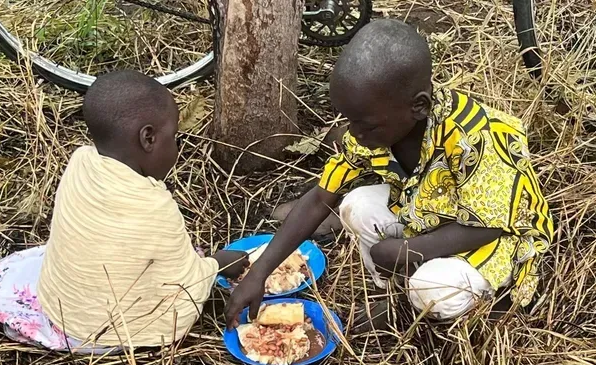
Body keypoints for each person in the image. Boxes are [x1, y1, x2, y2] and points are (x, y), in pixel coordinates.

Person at [225, 19, 554, 330]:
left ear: (419, 106)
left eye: (363, 124)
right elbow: (318, 201)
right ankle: (393, 292)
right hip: (429, 211)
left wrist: (409, 250)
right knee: (354, 205)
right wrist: (260, 272)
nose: (353, 133)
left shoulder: (475, 136)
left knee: (431, 291)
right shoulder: (374, 127)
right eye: (348, 121)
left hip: (495, 237)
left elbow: (490, 225)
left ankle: (478, 299)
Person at [0, 71, 248, 352]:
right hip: (107, 335)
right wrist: (216, 264)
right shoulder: (153, 207)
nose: (177, 147)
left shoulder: (81, 162)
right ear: (148, 138)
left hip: (61, 308)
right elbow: (184, 290)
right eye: (174, 136)